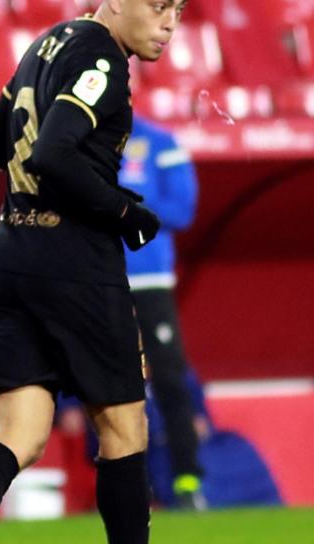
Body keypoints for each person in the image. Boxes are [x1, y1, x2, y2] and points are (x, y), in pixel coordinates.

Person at [0, 0, 191, 543]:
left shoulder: (47, 43)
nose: (169, 23)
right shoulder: (102, 58)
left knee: (19, 434)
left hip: (9, 254)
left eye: (180, 9)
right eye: (159, 4)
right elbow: (53, 153)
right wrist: (124, 213)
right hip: (74, 263)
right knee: (124, 428)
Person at [119, 116, 203, 509]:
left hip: (150, 280)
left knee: (169, 378)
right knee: (110, 387)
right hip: (101, 282)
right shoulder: (80, 139)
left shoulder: (159, 142)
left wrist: (123, 204)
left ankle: (187, 481)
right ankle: (129, 488)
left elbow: (182, 210)